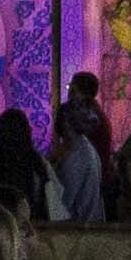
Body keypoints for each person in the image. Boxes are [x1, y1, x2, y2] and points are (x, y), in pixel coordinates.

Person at [48, 79, 111, 227]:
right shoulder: (84, 147)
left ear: (67, 124)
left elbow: (66, 199)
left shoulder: (79, 156)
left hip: (78, 225)